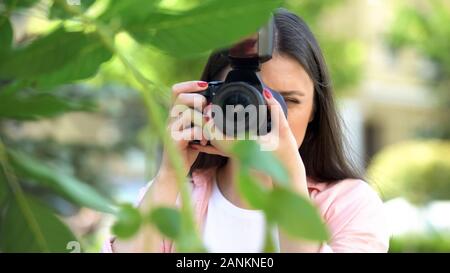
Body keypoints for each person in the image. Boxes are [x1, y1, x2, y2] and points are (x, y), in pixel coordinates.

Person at [103, 8, 389, 253]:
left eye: (286, 101)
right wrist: (169, 174)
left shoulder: (350, 204)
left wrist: (289, 176)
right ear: (207, 100)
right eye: (243, 97)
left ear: (316, 109)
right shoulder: (172, 196)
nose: (263, 114)